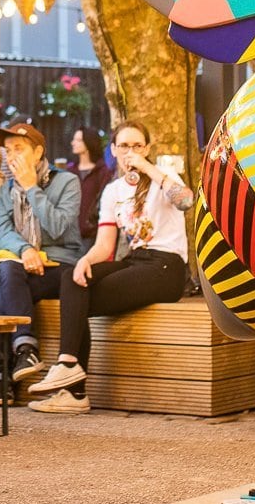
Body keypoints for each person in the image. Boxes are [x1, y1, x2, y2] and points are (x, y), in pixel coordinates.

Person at [31, 120, 192, 414]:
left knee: (80, 298)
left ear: (147, 148)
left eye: (137, 145)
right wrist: (86, 260)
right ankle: (68, 364)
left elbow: (186, 201)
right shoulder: (113, 190)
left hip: (167, 265)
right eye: (124, 146)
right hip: (135, 260)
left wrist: (148, 169)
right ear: (113, 150)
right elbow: (105, 245)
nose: (131, 151)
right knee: (74, 279)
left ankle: (75, 391)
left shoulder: (163, 176)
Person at [0, 121, 82, 393]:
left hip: (60, 266)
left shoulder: (67, 181)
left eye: (18, 148)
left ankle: (3, 374)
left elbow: (58, 226)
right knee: (8, 269)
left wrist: (31, 187)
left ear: (38, 153)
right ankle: (24, 350)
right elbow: (2, 231)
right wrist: (26, 249)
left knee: (4, 292)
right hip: (23, 266)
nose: (11, 156)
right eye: (7, 150)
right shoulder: (5, 190)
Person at [68, 126, 114, 242]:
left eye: (78, 140)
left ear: (89, 142)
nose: (73, 143)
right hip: (70, 235)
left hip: (93, 235)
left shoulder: (103, 172)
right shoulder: (71, 171)